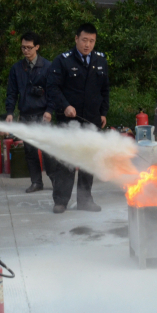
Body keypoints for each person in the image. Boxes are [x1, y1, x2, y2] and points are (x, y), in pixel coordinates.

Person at [46, 23, 109, 214]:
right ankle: (61, 201)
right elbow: (52, 88)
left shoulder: (100, 60)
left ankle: (85, 200)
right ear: (76, 39)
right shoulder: (63, 61)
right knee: (67, 160)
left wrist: (103, 112)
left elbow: (105, 89)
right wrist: (65, 106)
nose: (87, 45)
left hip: (92, 119)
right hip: (69, 120)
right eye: (84, 40)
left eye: (91, 41)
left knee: (88, 160)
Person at [5, 32, 54, 193]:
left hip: (42, 115)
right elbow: (12, 92)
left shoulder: (47, 66)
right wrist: (10, 112)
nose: (25, 51)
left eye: (29, 47)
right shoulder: (17, 68)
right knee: (30, 151)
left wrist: (49, 110)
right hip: (25, 114)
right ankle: (36, 182)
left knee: (48, 151)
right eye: (23, 47)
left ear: (37, 47)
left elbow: (54, 92)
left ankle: (55, 181)